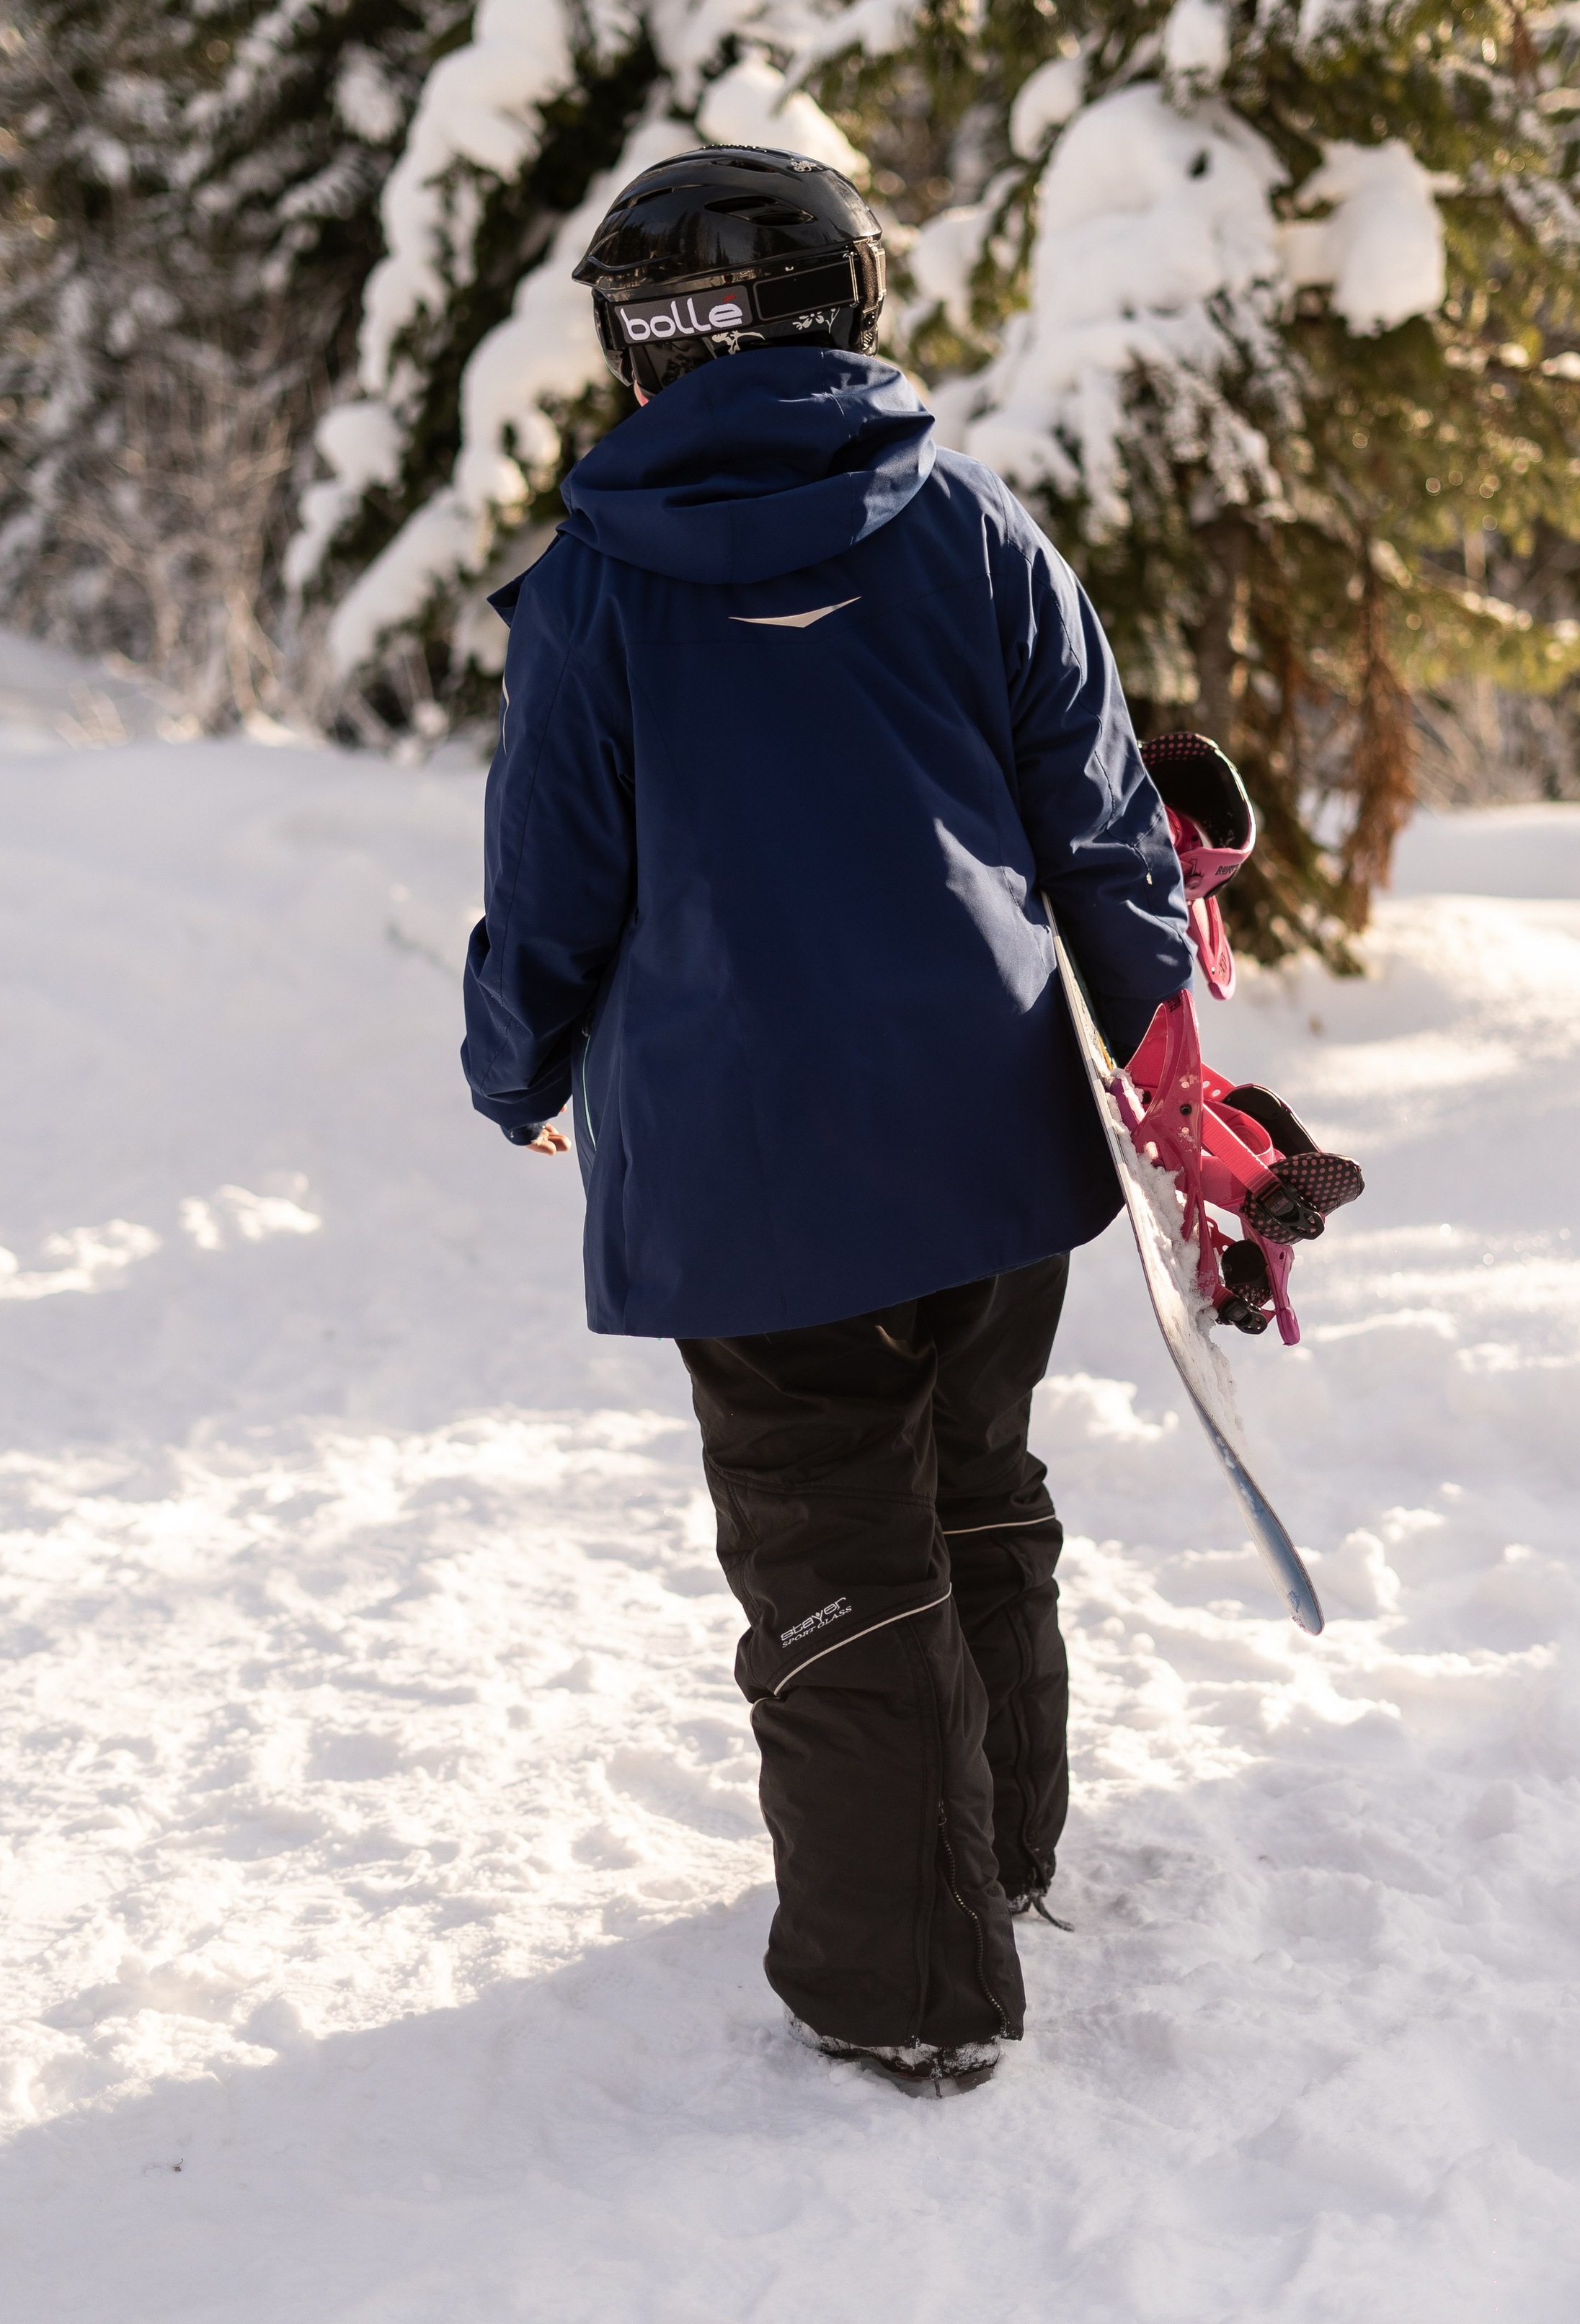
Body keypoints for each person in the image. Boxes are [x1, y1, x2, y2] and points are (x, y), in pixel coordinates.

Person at [461, 146, 1193, 2098]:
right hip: (994, 1143)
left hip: (750, 1177)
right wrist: (1160, 1053)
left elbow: (550, 891)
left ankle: (907, 1987)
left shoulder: (596, 588)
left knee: (831, 1545)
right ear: (845, 306)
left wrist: (513, 1069)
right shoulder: (968, 524)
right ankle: (1002, 1856)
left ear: (645, 343)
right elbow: (1103, 821)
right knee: (976, 1483)